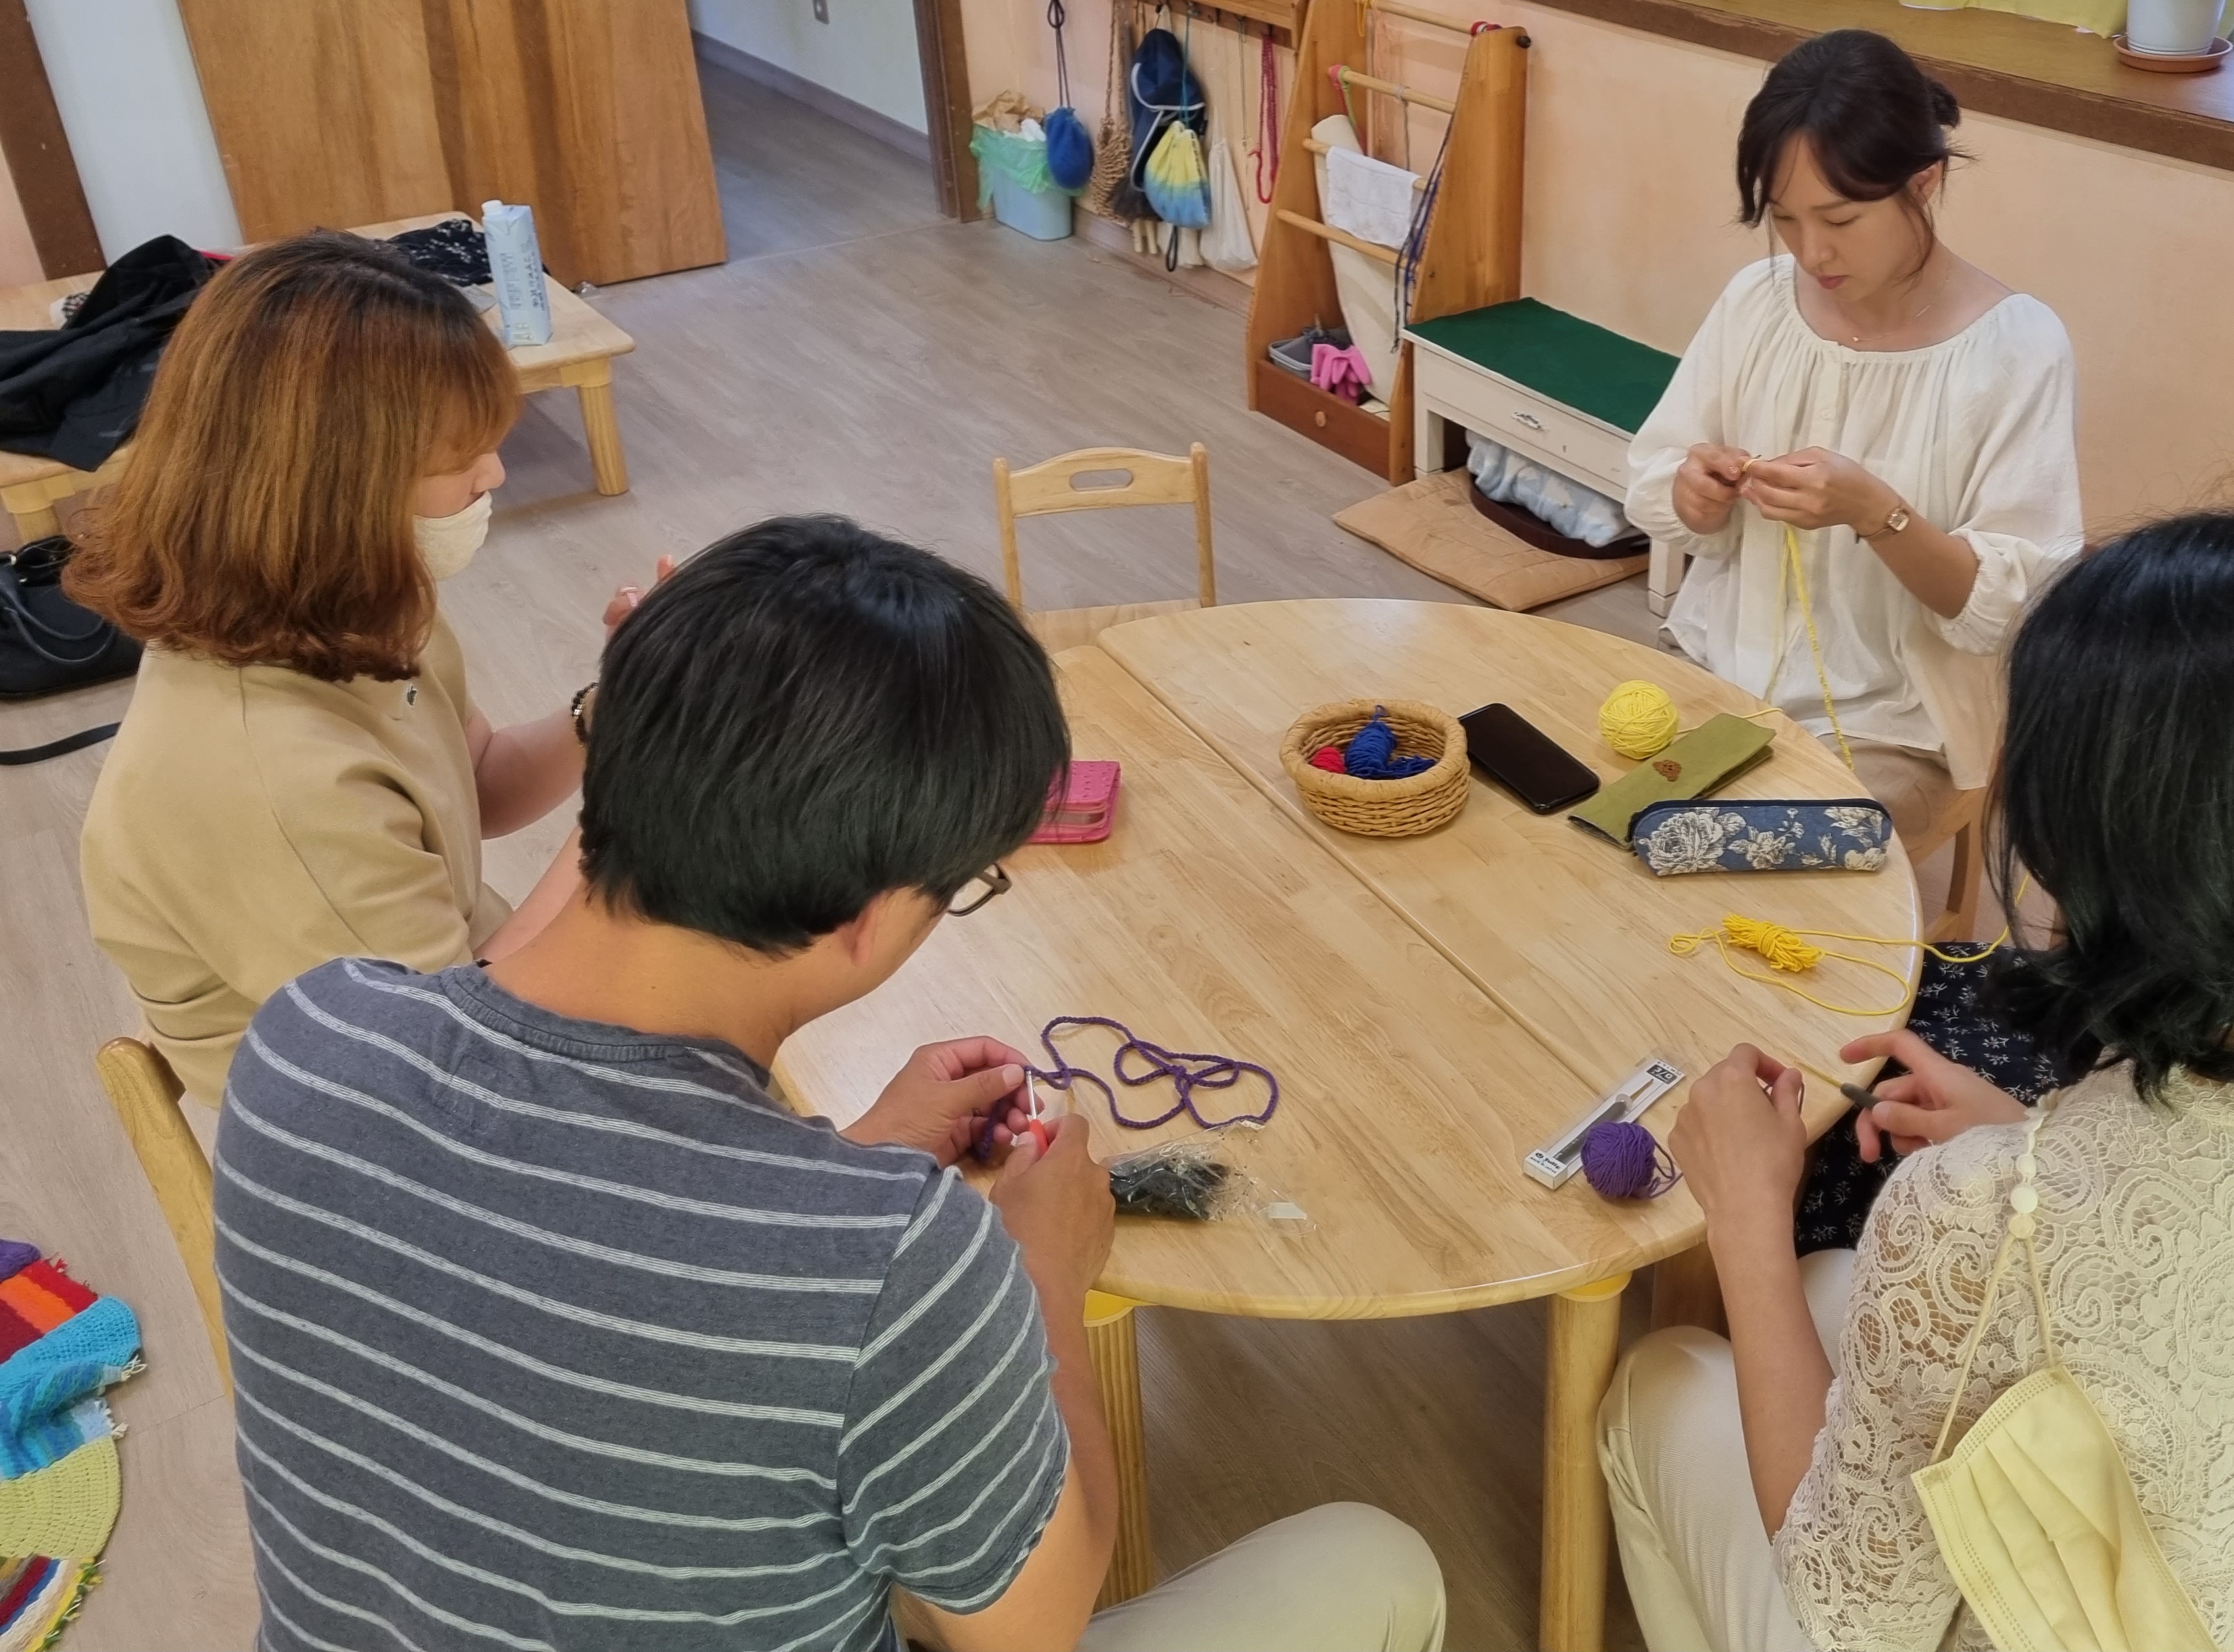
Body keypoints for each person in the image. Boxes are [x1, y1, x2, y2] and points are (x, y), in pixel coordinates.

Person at [211, 513, 1445, 1652]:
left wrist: (853, 1161)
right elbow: (1031, 1625)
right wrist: (1043, 1275)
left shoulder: (307, 1043)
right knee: (1379, 1560)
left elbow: (594, 1252)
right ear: (870, 913)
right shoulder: (897, 1269)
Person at [1600, 510, 2234, 1652]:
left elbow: (1847, 1613)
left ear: (2100, 845)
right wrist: (2030, 1134)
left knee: (1664, 1378)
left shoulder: (1981, 1217)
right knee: (1835, 1280)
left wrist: (1746, 1219)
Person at [72, 230, 650, 1103]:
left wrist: (625, 706)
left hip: (461, 1008)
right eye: (457, 459)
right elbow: (457, 1057)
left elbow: (477, 781)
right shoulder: (270, 774)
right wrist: (638, 809)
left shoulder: (351, 607)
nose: (492, 475)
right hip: (375, 1121)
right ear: (332, 489)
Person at [1623, 29, 2083, 856]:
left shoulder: (2016, 347)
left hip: (1895, 724)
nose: (1812, 252)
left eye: (1841, 218)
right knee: (1601, 826)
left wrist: (1878, 513)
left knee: (1730, 855)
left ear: (1925, 181)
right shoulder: (1757, 301)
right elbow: (1660, 471)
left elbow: (2012, 608)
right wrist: (1694, 494)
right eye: (1785, 219)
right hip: (1719, 664)